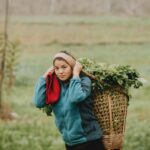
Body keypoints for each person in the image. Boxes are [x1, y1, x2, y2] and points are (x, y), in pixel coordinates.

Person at [33, 51, 105, 150]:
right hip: (70, 142)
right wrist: (44, 77)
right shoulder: (54, 86)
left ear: (72, 66)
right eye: (56, 68)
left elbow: (76, 97)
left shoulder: (83, 80)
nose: (60, 71)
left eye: (64, 67)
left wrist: (76, 74)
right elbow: (38, 102)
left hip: (90, 140)